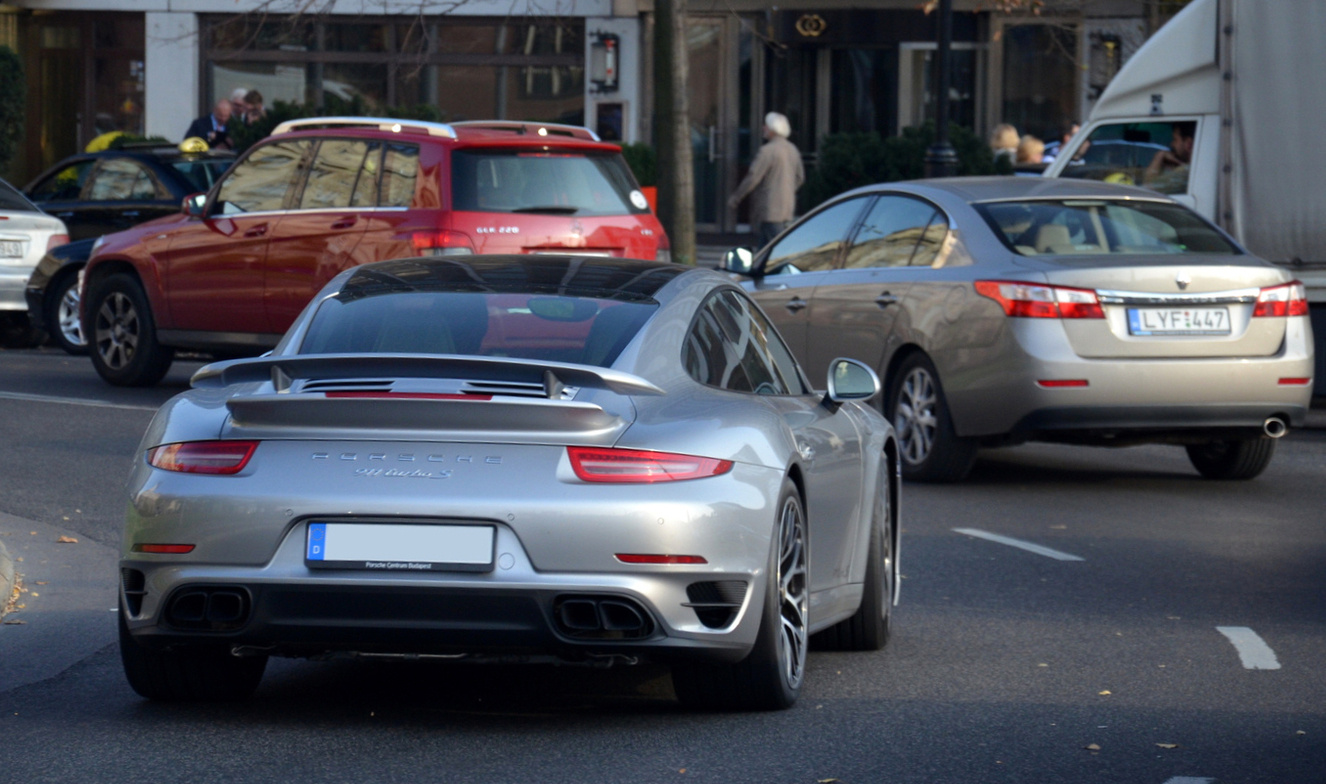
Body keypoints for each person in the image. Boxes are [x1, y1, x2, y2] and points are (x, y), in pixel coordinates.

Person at [728, 112, 805, 248]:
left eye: (766, 126)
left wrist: (736, 198)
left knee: (775, 248)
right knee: (766, 248)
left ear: (773, 129)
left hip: (770, 208)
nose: (763, 128)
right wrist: (786, 191)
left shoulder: (767, 151)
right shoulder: (793, 149)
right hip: (787, 208)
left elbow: (753, 177)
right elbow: (800, 177)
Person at [1144, 121, 1196, 193]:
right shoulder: (1194, 169)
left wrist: (1159, 156)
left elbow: (1148, 189)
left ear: (1188, 144)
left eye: (1175, 140)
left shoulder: (1186, 171)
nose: (1172, 144)